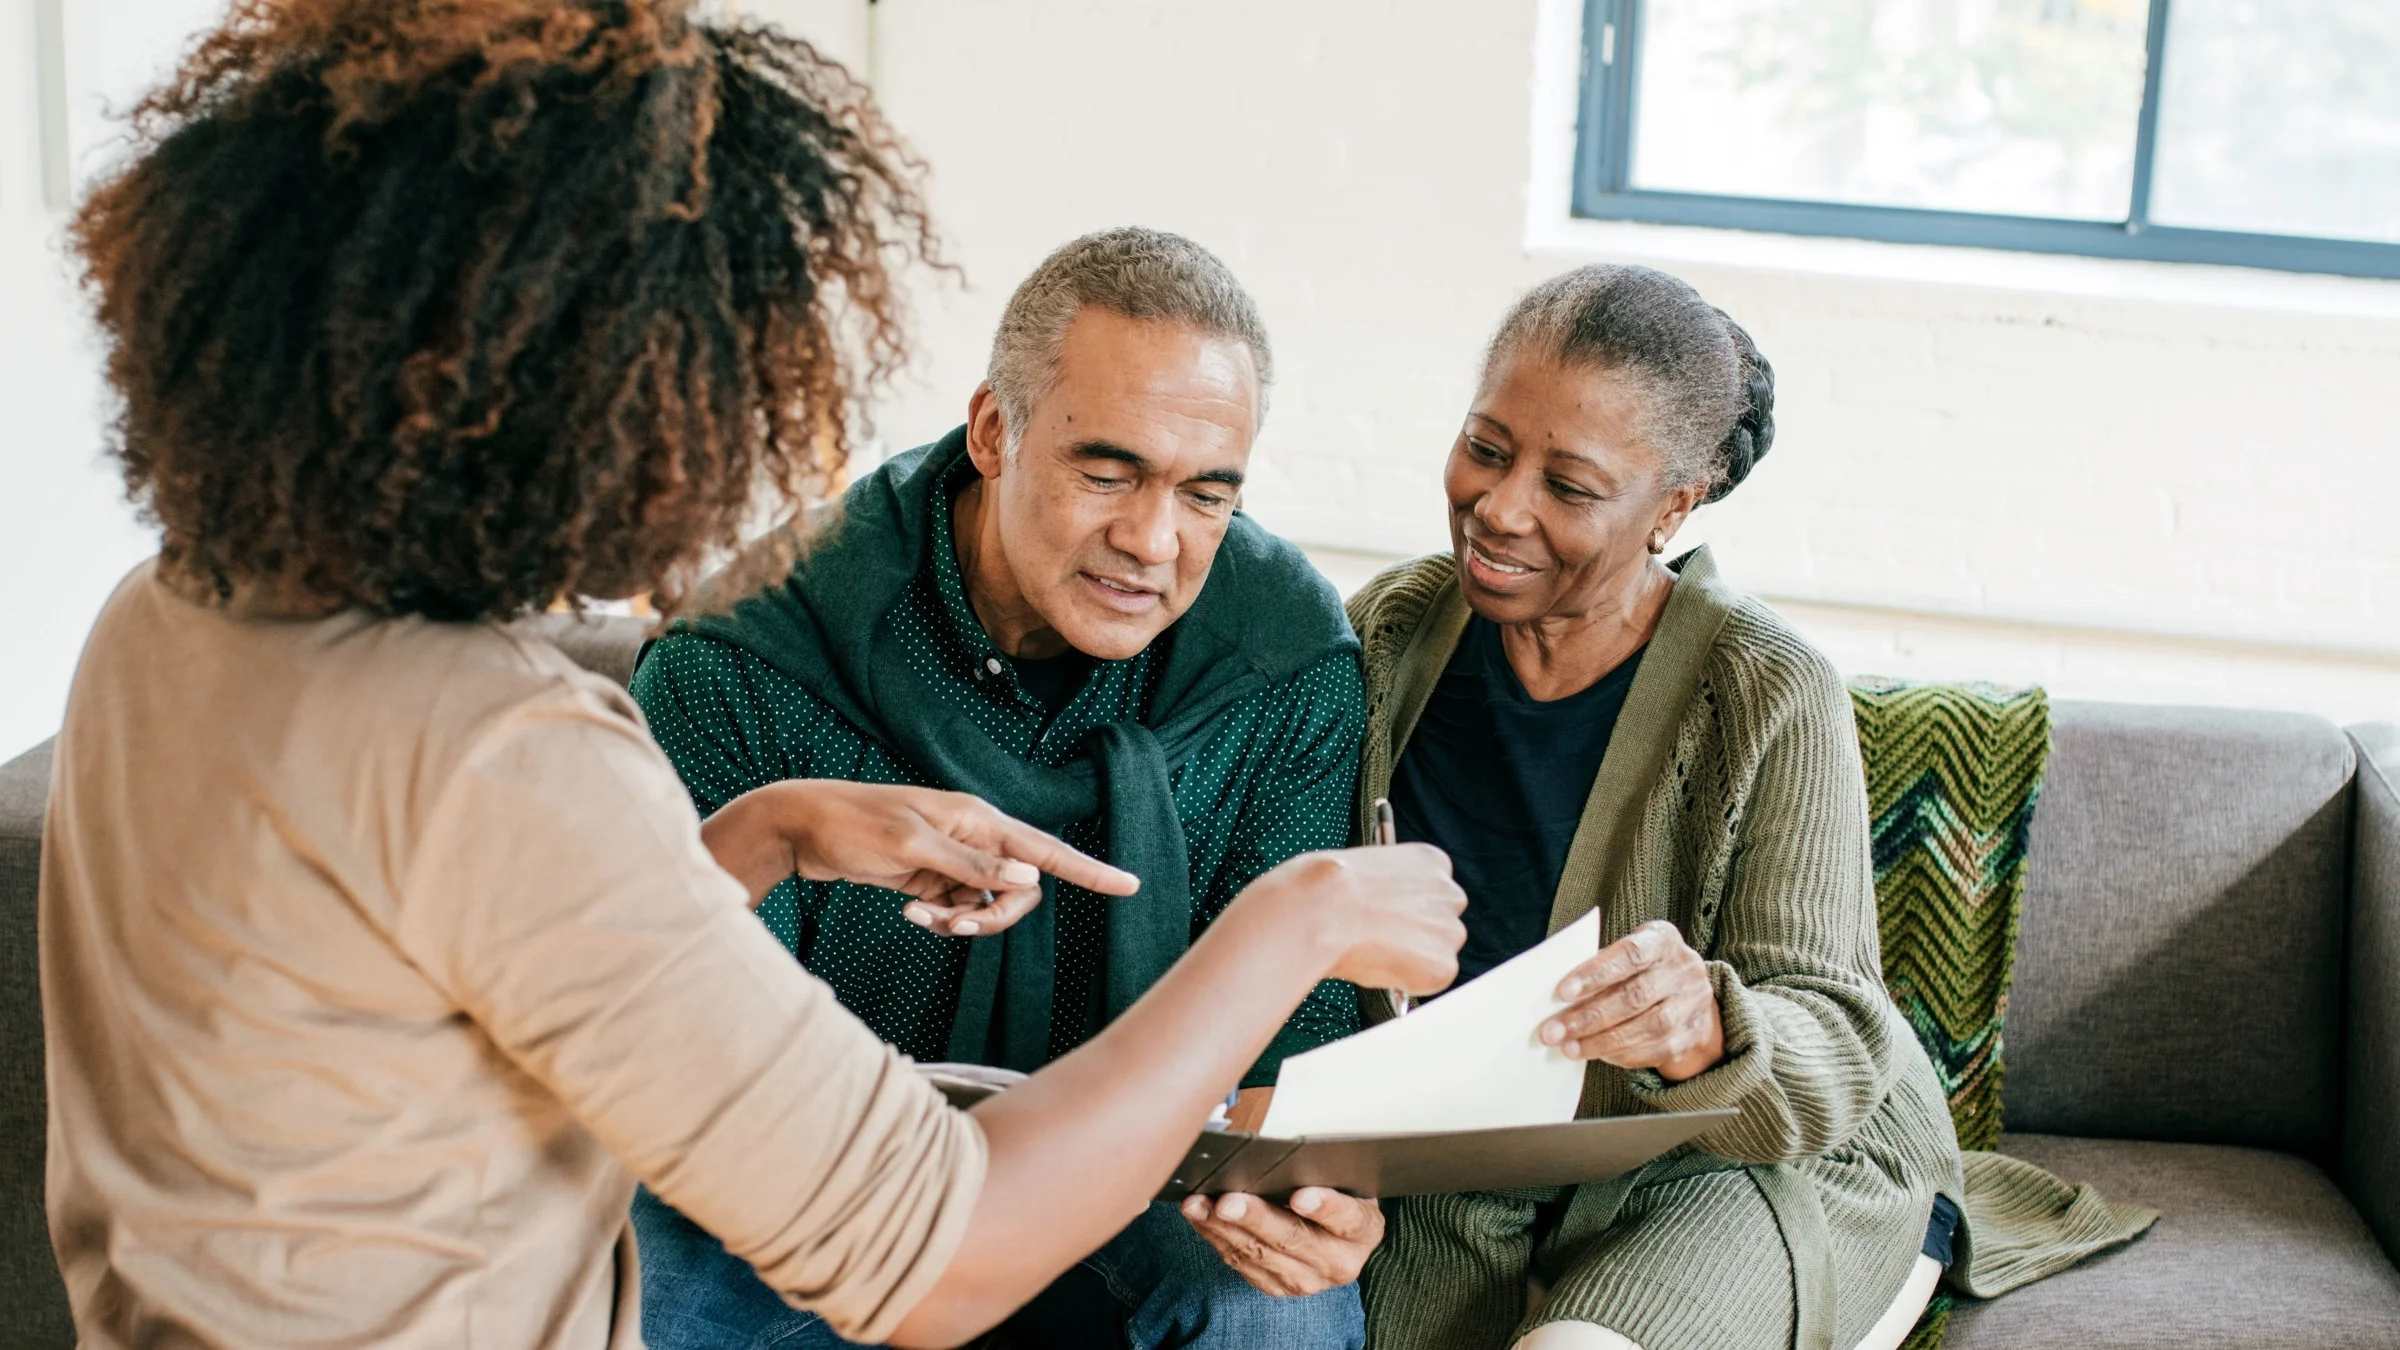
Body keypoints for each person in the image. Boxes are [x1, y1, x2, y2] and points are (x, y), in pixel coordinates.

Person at [39, 5, 1467, 1348]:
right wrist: (1300, 916)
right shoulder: (508, 754)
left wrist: (763, 832)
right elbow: (944, 1251)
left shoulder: (166, 618)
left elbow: (475, 978)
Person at [1346, 265, 2153, 1350]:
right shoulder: (1391, 633)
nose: (1500, 507)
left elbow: (1836, 1023)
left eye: (1571, 488)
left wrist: (1707, 1025)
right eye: (1487, 448)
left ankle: (1903, 1240)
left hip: (1740, 1151)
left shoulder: (1767, 689)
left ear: (1673, 508)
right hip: (1476, 1151)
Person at [628, 227, 1390, 1350]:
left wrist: (1309, 1193)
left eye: (1206, 496)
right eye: (1107, 471)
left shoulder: (1281, 659)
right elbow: (709, 1044)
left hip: (1139, 1177)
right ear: (994, 430)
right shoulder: (750, 654)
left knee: (1275, 1306)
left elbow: (1296, 1036)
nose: (1152, 540)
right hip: (809, 1176)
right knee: (644, 1297)